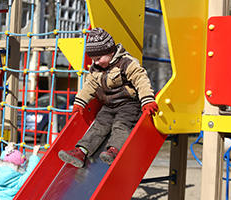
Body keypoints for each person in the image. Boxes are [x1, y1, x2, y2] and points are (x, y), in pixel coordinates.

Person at [58, 27, 158, 167]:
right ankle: (82, 151)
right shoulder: (96, 69)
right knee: (98, 126)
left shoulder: (126, 63)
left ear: (111, 51)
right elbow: (89, 86)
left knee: (121, 125)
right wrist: (79, 103)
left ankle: (114, 150)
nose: (96, 62)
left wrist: (147, 99)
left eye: (99, 58)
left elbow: (141, 79)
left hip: (129, 104)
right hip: (109, 105)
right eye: (94, 59)